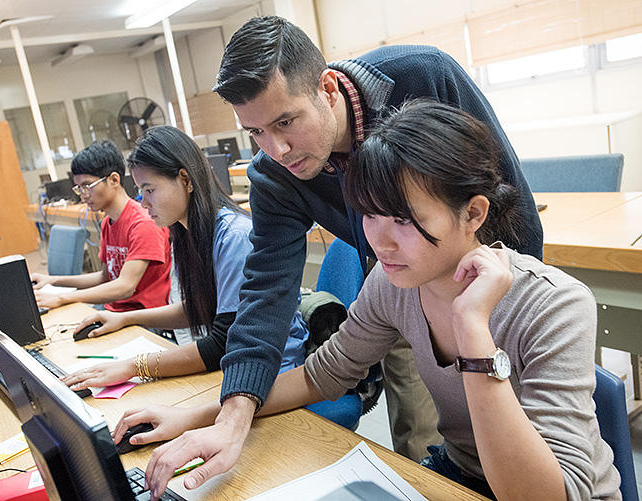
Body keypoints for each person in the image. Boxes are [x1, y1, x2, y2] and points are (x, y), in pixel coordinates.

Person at [119, 100, 620, 501]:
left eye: (402, 219)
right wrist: (204, 415)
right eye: (369, 215)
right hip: (460, 476)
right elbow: (322, 374)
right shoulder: (393, 280)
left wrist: (473, 329)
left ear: (473, 214)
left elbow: (544, 494)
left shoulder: (555, 305)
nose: (379, 241)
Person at [140, 14, 546, 491]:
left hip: (489, 296)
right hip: (399, 291)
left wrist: (508, 317)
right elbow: (266, 293)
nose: (278, 149)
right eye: (255, 133)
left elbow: (506, 206)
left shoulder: (422, 78)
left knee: (516, 438)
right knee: (427, 444)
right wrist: (230, 414)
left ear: (328, 88)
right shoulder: (276, 176)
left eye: (286, 121)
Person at [60, 126, 308, 389]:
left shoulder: (234, 237)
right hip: (236, 367)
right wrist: (125, 318)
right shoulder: (186, 232)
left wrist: (134, 366)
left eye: (150, 190)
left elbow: (222, 342)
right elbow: (199, 308)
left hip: (272, 372)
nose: (143, 203)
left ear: (186, 180)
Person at [30, 140, 171, 312]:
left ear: (113, 180)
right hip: (115, 311)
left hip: (144, 318)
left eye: (87, 186)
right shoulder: (107, 223)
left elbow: (125, 286)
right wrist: (52, 280)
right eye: (79, 188)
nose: (83, 196)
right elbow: (106, 277)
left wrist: (61, 297)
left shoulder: (143, 223)